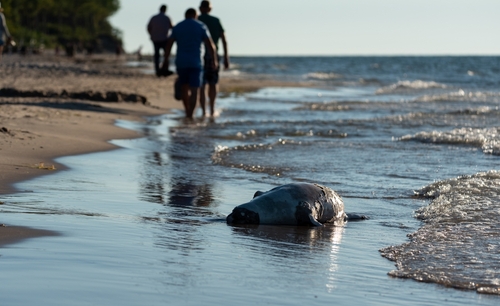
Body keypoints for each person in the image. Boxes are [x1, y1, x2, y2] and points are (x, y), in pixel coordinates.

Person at [165, 8, 218, 119]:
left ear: (185, 15)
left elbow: (169, 44)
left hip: (181, 61)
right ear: (195, 15)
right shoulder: (200, 26)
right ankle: (191, 115)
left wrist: (165, 60)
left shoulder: (178, 26)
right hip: (196, 62)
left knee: (184, 87)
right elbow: (211, 45)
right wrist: (214, 60)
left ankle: (187, 111)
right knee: (195, 90)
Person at [198, 0, 229, 117]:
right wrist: (226, 57)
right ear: (210, 9)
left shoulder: (197, 20)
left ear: (200, 8)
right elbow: (224, 39)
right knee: (213, 83)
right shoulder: (216, 20)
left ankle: (203, 111)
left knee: (202, 84)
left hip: (199, 54)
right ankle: (211, 109)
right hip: (213, 54)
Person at [147, 4, 173, 77]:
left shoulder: (154, 17)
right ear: (165, 10)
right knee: (166, 55)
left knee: (157, 56)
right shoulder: (166, 18)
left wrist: (151, 35)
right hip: (164, 39)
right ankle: (165, 69)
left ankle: (158, 70)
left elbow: (148, 27)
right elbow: (171, 26)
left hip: (155, 39)